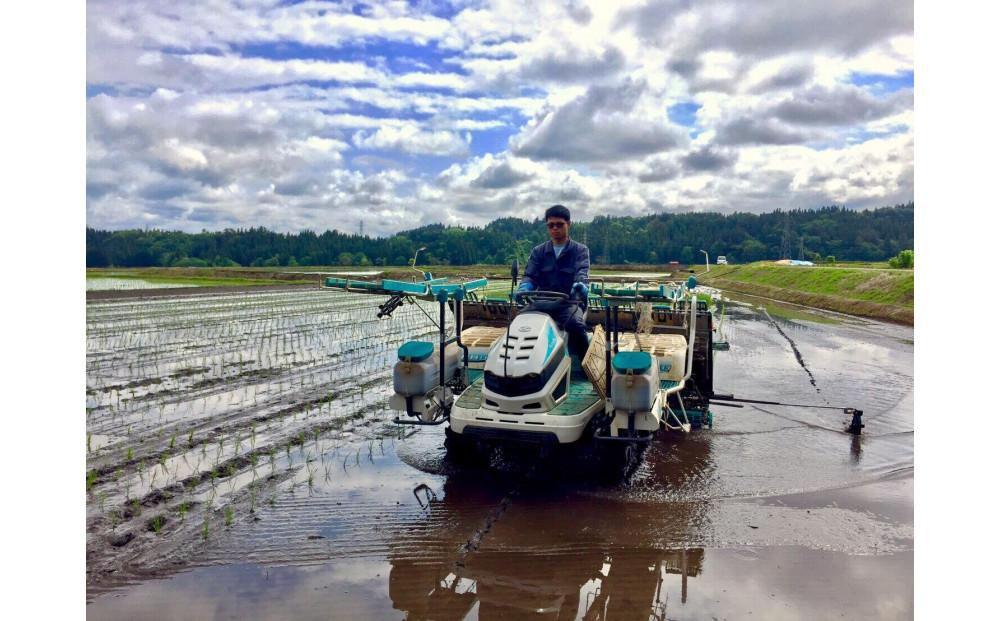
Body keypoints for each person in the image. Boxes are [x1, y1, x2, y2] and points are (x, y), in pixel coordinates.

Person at [516, 204, 591, 360]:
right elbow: (530, 275)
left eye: (559, 224)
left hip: (568, 303)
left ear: (568, 224)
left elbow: (581, 271)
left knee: (575, 325)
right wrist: (525, 286)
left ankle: (586, 364)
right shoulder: (538, 251)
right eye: (551, 225)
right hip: (541, 302)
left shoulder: (580, 250)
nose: (555, 228)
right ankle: (524, 362)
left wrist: (581, 284)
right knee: (519, 322)